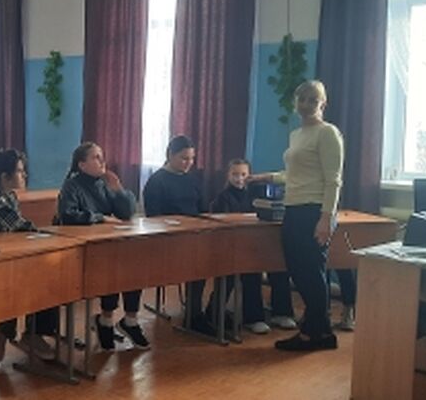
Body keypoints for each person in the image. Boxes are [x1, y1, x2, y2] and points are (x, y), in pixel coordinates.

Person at [249, 80, 344, 351]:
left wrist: (326, 218)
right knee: (298, 270)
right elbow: (293, 174)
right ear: (295, 102)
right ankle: (320, 331)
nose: (306, 105)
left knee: (311, 272)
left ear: (323, 104)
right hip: (293, 208)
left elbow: (333, 180)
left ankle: (314, 333)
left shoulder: (328, 133)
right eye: (302, 99)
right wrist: (265, 177)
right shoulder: (297, 135)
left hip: (314, 210)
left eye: (313, 100)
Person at [0, 149, 58, 363]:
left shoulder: (10, 196)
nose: (24, 175)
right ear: (4, 176)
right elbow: (15, 224)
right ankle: (6, 334)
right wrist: (41, 233)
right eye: (19, 171)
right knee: (22, 284)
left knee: (51, 276)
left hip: (8, 257)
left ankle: (29, 334)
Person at [57, 142, 146, 350]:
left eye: (102, 156)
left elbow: (126, 213)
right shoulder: (71, 185)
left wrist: (119, 189)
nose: (102, 161)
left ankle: (130, 320)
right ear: (82, 165)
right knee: (111, 270)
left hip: (107, 244)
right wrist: (100, 218)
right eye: (96, 157)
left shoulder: (104, 183)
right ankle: (105, 321)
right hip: (84, 249)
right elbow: (68, 215)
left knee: (134, 266)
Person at [209, 158, 297, 335]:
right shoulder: (222, 198)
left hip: (260, 245)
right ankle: (253, 318)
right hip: (236, 248)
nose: (239, 179)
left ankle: (281, 312)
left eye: (243, 174)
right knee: (251, 273)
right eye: (235, 174)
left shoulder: (256, 193)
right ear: (228, 175)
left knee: (279, 268)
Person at [141, 136, 214, 335]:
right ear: (170, 155)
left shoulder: (192, 180)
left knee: (212, 257)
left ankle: (209, 310)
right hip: (168, 241)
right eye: (184, 158)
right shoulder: (157, 181)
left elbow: (203, 210)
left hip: (193, 237)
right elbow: (153, 217)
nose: (188, 163)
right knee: (198, 262)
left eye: (191, 159)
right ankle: (194, 314)